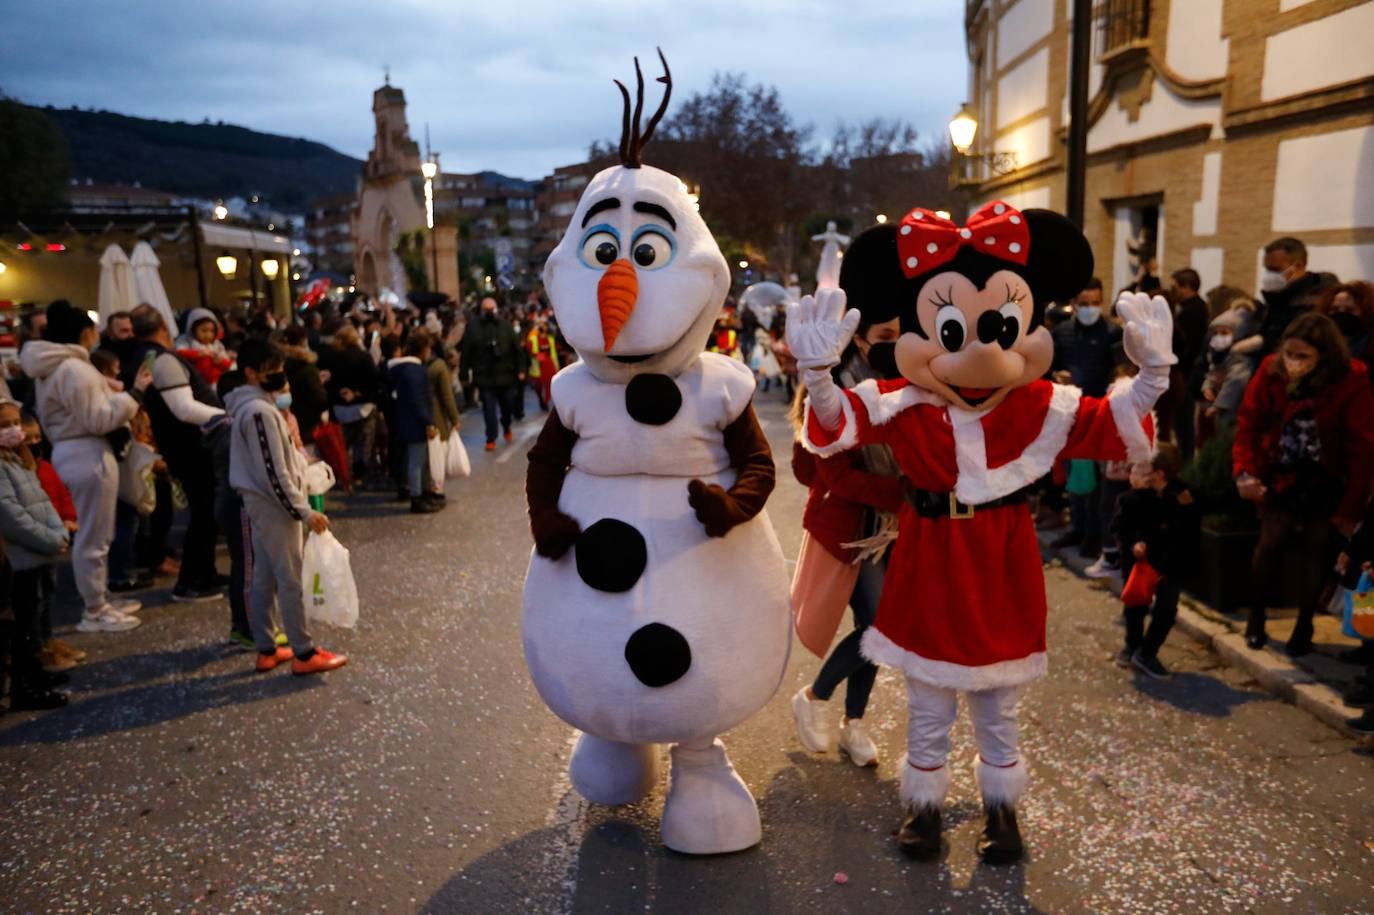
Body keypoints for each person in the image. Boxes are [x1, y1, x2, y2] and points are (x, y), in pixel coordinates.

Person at [790, 316, 904, 768]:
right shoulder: (833, 387)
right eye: (885, 337)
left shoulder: (903, 380)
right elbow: (827, 472)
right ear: (859, 338)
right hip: (853, 525)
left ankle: (854, 725)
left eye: (900, 336)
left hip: (892, 526)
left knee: (875, 626)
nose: (896, 346)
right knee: (879, 627)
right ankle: (815, 695)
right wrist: (906, 492)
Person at [1234, 313, 1374, 655]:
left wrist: (1351, 508)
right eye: (1289, 354)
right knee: (1269, 544)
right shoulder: (1271, 371)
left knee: (1317, 550)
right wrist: (1244, 472)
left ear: (1324, 356)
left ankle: (1304, 623)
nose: (1293, 363)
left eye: (1303, 356)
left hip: (1325, 476)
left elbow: (1362, 446)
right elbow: (1249, 423)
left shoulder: (1350, 379)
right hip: (1280, 471)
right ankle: (1256, 618)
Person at [20, 301, 150, 631]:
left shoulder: (56, 367)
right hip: (87, 454)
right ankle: (95, 608)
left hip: (71, 450)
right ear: (84, 332)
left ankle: (100, 597)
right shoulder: (74, 369)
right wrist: (132, 395)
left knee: (94, 533)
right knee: (95, 535)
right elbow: (99, 418)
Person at [225, 339, 347, 675]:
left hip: (263, 503)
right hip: (273, 506)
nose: (279, 377)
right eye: (271, 371)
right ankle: (304, 652)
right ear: (250, 373)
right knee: (291, 578)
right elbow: (274, 472)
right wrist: (304, 511)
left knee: (266, 575)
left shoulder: (253, 408)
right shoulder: (260, 412)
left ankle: (267, 647)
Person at [129, 305, 225, 602]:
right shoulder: (161, 359)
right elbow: (183, 407)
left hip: (182, 446)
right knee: (203, 512)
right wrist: (229, 416)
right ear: (164, 328)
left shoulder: (144, 355)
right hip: (191, 447)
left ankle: (204, 572)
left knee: (205, 512)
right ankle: (192, 581)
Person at [0, 399, 72, 709]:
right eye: (5, 425)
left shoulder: (19, 460)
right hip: (18, 557)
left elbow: (42, 501)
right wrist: (50, 540)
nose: (14, 430)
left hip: (34, 554)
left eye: (16, 422)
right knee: (22, 628)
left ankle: (33, 676)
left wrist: (59, 535)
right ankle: (24, 688)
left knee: (31, 621)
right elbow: (11, 516)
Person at [1111, 443, 1200, 679]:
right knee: (1136, 605)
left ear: (1159, 474)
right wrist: (1133, 545)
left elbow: (1186, 531)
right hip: (1141, 564)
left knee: (1166, 610)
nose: (1138, 471)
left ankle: (1147, 652)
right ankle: (1132, 644)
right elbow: (1121, 528)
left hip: (1170, 565)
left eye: (1145, 467)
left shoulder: (1182, 496)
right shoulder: (1134, 497)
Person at [1051, 278, 1125, 559]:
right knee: (1073, 473)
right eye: (1084, 304)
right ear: (1073, 304)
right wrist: (1058, 376)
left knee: (1096, 479)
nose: (1090, 309)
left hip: (1098, 413)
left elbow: (1121, 370)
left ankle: (1095, 533)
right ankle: (1077, 526)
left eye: (1095, 303)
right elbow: (1050, 364)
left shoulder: (1112, 333)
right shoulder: (1062, 332)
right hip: (1068, 411)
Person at [22, 412, 83, 670]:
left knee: (48, 594)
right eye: (29, 438)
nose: (35, 443)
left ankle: (47, 641)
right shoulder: (20, 473)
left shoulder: (45, 467)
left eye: (38, 437)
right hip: (32, 545)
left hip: (53, 540)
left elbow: (61, 494)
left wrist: (69, 519)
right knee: (34, 600)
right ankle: (38, 650)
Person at [387, 332, 443, 514]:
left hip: (401, 420)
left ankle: (420, 494)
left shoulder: (398, 369)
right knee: (417, 462)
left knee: (413, 461)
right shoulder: (416, 372)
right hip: (415, 423)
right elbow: (418, 400)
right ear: (424, 349)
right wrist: (428, 422)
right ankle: (417, 498)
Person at [460, 297, 525, 452]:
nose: (489, 313)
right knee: (489, 410)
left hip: (506, 376)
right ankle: (491, 437)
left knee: (508, 405)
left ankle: (506, 424)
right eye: (486, 309)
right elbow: (466, 352)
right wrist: (464, 374)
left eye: (492, 309)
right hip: (485, 377)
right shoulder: (473, 327)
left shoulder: (506, 326)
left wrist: (521, 369)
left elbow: (518, 351)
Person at [1257, 236, 1338, 356]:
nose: (1270, 275)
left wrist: (1264, 342)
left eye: (1275, 269)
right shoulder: (1275, 298)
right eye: (1267, 270)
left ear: (1298, 266)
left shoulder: (1320, 298)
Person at [325, 324, 381, 482]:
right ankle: (361, 473)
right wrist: (358, 393)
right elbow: (374, 380)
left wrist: (340, 392)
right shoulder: (364, 357)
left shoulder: (333, 358)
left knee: (344, 443)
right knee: (363, 443)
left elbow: (328, 382)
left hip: (340, 407)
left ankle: (344, 472)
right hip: (363, 405)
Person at [1169, 269, 1209, 459]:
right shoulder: (1191, 308)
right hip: (1186, 375)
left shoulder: (1193, 311)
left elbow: (1190, 348)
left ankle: (1185, 462)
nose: (1172, 291)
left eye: (1175, 287)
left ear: (1186, 287)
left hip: (1186, 376)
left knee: (1185, 425)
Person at [279, 325, 330, 449]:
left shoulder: (280, 365)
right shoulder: (306, 367)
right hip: (309, 425)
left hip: (287, 422)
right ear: (303, 340)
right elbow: (320, 399)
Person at [1316, 281, 1374, 365]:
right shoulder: (1319, 341)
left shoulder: (1370, 346)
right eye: (1335, 309)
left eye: (1349, 310)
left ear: (1365, 312)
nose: (1341, 314)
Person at [175, 307, 233, 387]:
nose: (208, 335)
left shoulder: (217, 345)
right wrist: (198, 354)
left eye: (212, 331)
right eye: (204, 330)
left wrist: (220, 361)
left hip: (215, 383)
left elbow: (227, 364)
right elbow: (179, 352)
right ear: (193, 328)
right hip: (193, 382)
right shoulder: (185, 340)